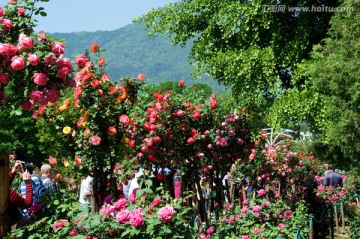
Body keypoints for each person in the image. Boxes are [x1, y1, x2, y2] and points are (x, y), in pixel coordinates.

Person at [9, 160, 33, 228]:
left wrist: (12, 173)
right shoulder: (9, 195)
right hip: (10, 226)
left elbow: (3, 185)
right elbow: (27, 203)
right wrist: (28, 183)